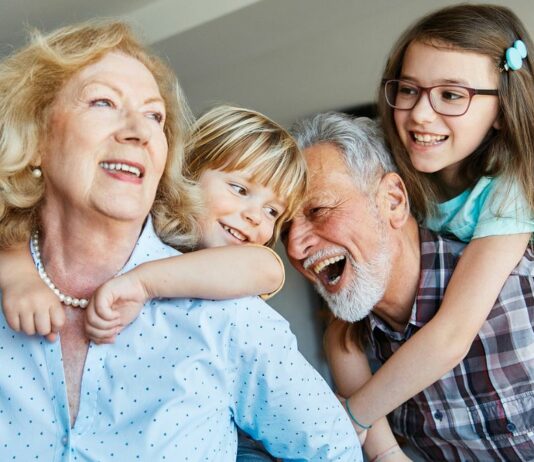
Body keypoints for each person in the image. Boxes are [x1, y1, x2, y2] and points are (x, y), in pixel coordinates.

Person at [0, 21, 361, 460]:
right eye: (104, 102)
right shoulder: (14, 269)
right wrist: (17, 272)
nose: (139, 130)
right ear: (34, 137)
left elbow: (333, 450)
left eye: (155, 116)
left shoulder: (230, 308)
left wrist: (143, 283)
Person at [313, 3, 534, 439]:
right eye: (409, 89)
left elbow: (452, 334)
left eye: (451, 95)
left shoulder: (511, 189)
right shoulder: (396, 178)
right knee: (340, 330)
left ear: (503, 111)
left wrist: (354, 418)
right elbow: (347, 324)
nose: (420, 114)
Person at [285, 111, 534, 461]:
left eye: (319, 210)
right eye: (283, 229)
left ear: (393, 201)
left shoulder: (520, 286)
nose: (295, 247)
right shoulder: (349, 345)